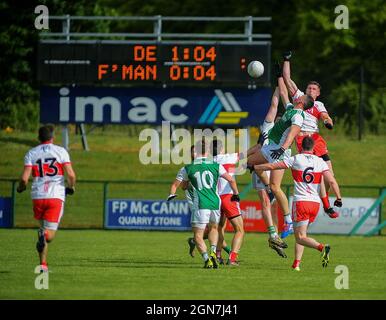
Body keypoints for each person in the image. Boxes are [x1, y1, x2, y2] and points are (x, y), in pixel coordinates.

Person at [253, 136, 343, 271]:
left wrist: (256, 166)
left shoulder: (296, 159)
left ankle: (322, 247)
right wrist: (338, 197)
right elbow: (332, 181)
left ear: (301, 147)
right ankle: (296, 264)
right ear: (313, 147)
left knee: (300, 237)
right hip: (315, 204)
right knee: (302, 234)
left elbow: (273, 165)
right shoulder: (320, 162)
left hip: (301, 202)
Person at [247, 68, 315, 239]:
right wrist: (279, 77)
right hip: (270, 149)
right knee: (250, 164)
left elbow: (293, 133)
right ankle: (269, 190)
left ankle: (288, 221)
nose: (297, 95)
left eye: (300, 96)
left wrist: (283, 148)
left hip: (280, 153)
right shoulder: (292, 107)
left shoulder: (299, 116)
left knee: (276, 187)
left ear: (302, 102)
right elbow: (284, 92)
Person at [282, 51, 338, 218]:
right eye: (309, 87)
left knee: (329, 175)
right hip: (303, 139)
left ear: (318, 93)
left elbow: (325, 116)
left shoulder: (319, 104)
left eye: (314, 89)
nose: (311, 90)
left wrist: (328, 122)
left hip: (317, 139)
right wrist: (287, 59)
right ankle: (327, 206)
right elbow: (287, 78)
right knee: (316, 172)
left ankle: (326, 203)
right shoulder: (300, 97)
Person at [167, 140, 240, 269]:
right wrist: (236, 194)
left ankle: (207, 259)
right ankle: (213, 252)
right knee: (214, 228)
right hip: (215, 202)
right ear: (207, 151)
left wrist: (173, 193)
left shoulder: (187, 168)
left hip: (201, 204)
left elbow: (180, 186)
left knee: (198, 236)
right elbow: (231, 180)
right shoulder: (216, 165)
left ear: (195, 152)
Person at [16, 125, 76, 272]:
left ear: (38, 138)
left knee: (42, 230)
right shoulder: (61, 151)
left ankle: (43, 264)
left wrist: (21, 188)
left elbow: (24, 179)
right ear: (52, 137)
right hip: (55, 195)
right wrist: (71, 187)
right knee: (48, 235)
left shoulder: (31, 153)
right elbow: (71, 175)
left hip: (37, 196)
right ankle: (45, 238)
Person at [252, 84, 288, 257]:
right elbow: (274, 104)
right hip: (260, 169)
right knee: (266, 202)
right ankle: (273, 235)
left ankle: (275, 238)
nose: (279, 122)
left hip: (270, 167)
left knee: (272, 207)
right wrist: (278, 85)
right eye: (278, 120)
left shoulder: (284, 137)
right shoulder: (267, 128)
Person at [212, 139, 244, 266]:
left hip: (215, 198)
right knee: (240, 230)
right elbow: (248, 152)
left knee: (219, 228)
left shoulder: (209, 161)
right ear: (221, 149)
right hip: (228, 197)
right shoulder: (228, 157)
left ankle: (218, 255)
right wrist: (261, 144)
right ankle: (232, 259)